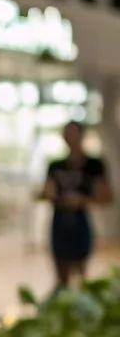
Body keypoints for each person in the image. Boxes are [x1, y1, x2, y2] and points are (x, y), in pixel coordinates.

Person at [41, 120, 112, 289]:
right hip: (59, 221)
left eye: (73, 133)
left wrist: (81, 201)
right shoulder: (55, 165)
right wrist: (49, 195)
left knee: (81, 273)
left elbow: (106, 196)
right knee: (61, 274)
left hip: (80, 220)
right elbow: (46, 192)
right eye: (67, 134)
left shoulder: (94, 165)